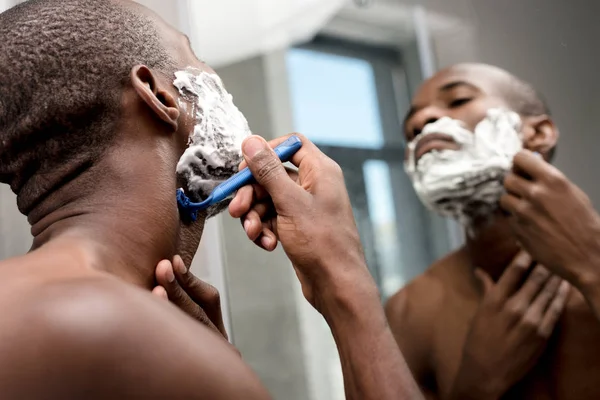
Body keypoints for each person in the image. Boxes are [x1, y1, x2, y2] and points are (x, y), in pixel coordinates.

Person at [0, 0, 423, 398]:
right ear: (160, 95)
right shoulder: (128, 336)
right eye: (194, 56)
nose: (214, 74)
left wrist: (215, 363)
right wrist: (345, 280)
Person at [385, 62, 600, 399]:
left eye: (457, 100)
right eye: (410, 129)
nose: (418, 123)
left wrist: (594, 265)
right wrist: (475, 387)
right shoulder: (409, 312)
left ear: (539, 134)